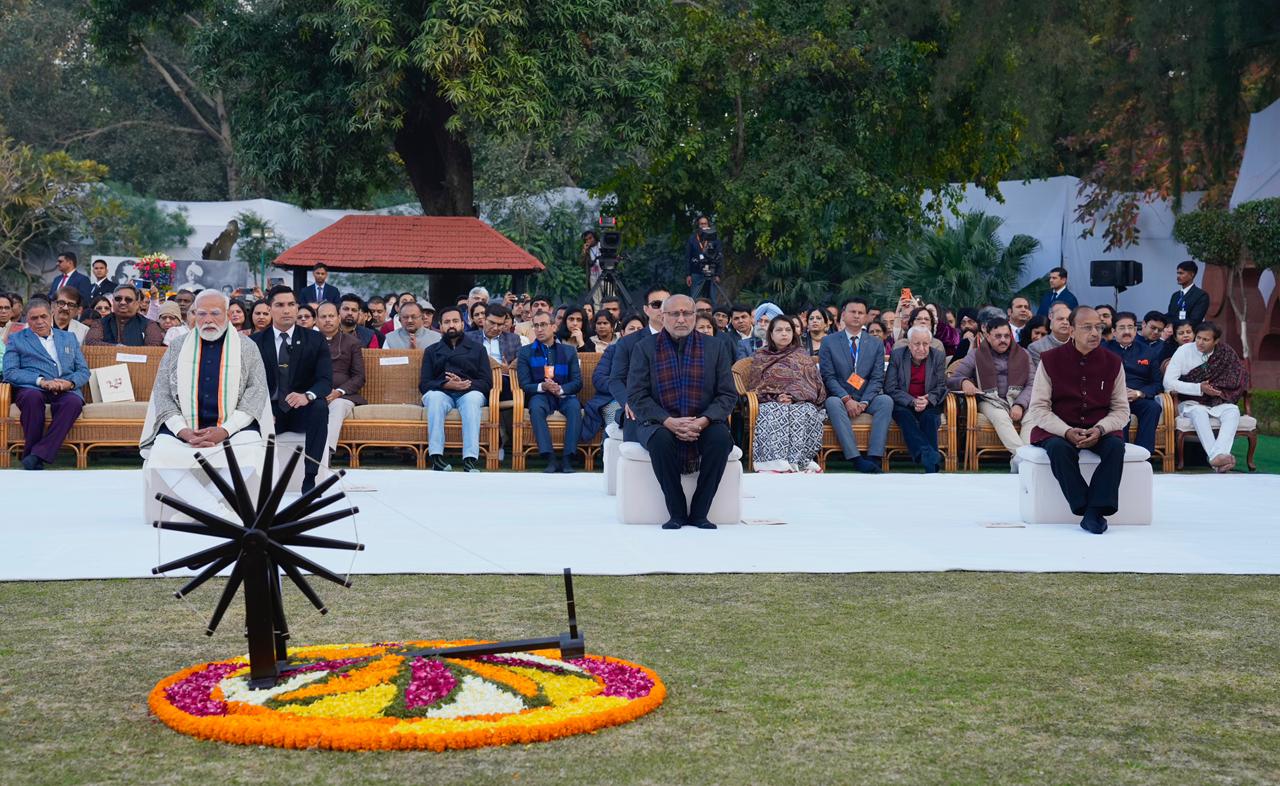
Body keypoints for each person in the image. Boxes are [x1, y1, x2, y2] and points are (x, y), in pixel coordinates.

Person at [627, 295, 738, 529]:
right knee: (660, 440)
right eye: (674, 314)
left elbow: (727, 395)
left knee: (720, 440)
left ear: (695, 316)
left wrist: (702, 421)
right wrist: (668, 421)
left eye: (687, 313)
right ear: (663, 317)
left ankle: (700, 513)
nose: (681, 319)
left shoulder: (715, 347)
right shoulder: (645, 348)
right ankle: (676, 513)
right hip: (659, 422)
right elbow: (637, 395)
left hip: (704, 421)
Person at [138, 291, 270, 489]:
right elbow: (162, 392)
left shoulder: (247, 347)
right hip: (184, 428)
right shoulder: (177, 346)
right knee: (160, 454)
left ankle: (199, 504)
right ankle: (211, 506)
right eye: (201, 314)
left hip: (233, 429)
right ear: (194, 315)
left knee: (251, 452)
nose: (208, 319)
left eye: (215, 313)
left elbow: (256, 392)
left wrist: (225, 430)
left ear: (227, 315)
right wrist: (183, 431)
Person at [1027, 307, 1130, 534]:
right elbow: (1039, 408)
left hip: (1099, 427)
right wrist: (1065, 431)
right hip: (1059, 427)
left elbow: (1121, 410)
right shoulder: (1050, 360)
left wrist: (1100, 429)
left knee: (1115, 447)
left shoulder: (1113, 362)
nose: (1094, 333)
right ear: (1072, 330)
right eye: (1087, 328)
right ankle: (1086, 508)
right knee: (1058, 449)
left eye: (1098, 327)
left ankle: (1096, 509)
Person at [251, 286, 333, 493]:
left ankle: (310, 478)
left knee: (320, 407)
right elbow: (248, 383)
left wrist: (308, 395)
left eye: (291, 304)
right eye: (280, 305)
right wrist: (262, 409)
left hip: (301, 408)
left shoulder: (315, 339)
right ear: (270, 308)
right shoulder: (255, 342)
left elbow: (325, 380)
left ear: (297, 307)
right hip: (270, 410)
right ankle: (255, 481)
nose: (286, 310)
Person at [1, 301, 89, 470]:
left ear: (51, 316)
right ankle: (35, 454)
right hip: (32, 387)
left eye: (43, 316)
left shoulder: (68, 338)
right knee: (31, 398)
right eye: (34, 318)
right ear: (27, 319)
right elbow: (10, 372)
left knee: (73, 402)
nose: (40, 321)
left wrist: (70, 383)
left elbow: (83, 371)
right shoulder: (16, 339)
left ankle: (36, 455)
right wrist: (40, 381)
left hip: (64, 387)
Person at [1163, 321, 1248, 473]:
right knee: (1199, 412)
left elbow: (1236, 378)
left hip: (1217, 400)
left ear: (1216, 341)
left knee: (1232, 411)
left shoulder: (1225, 353)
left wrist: (1217, 390)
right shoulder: (1183, 351)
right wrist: (1199, 388)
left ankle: (1216, 458)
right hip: (1190, 401)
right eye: (1198, 338)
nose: (1200, 342)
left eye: (1206, 340)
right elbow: (1168, 382)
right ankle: (1217, 458)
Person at [745, 315, 826, 472]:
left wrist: (795, 397)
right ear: (771, 334)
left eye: (788, 330)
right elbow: (755, 386)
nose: (784, 333)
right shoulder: (761, 356)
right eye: (779, 330)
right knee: (775, 410)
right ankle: (772, 461)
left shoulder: (801, 355)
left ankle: (800, 461)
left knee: (807, 411)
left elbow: (813, 384)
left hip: (800, 402)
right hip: (769, 402)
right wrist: (776, 397)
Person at [819, 298, 892, 473]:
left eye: (861, 313)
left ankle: (874, 457)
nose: (857, 316)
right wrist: (846, 399)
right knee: (832, 402)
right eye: (853, 312)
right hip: (840, 397)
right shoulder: (829, 342)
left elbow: (877, 378)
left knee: (886, 401)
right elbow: (828, 377)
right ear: (843, 315)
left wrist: (865, 402)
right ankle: (855, 458)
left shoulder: (875, 343)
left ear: (866, 317)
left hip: (867, 397)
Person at [949, 317, 1032, 464]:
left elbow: (1033, 384)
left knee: (1033, 416)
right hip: (990, 400)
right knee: (1000, 416)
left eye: (1006, 336)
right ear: (987, 336)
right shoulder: (976, 354)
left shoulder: (1024, 354)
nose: (1003, 340)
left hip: (1019, 399)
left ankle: (1019, 460)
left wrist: (1020, 404)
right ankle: (1025, 458)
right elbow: (952, 379)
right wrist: (964, 382)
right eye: (998, 336)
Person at [419, 306, 491, 472]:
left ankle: (470, 458)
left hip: (469, 392)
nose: (451, 325)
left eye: (455, 321)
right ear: (441, 326)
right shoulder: (431, 351)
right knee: (435, 399)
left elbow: (487, 382)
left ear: (463, 324)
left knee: (472, 400)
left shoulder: (478, 349)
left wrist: (465, 384)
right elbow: (424, 384)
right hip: (442, 392)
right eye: (447, 322)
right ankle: (436, 457)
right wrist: (446, 384)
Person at [517, 310, 583, 473]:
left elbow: (577, 382)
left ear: (553, 327)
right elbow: (525, 384)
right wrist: (543, 386)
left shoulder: (569, 351)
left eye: (543, 325)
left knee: (574, 407)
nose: (539, 329)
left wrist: (560, 389)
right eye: (536, 326)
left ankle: (568, 458)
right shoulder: (525, 352)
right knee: (536, 407)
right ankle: (550, 458)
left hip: (564, 394)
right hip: (540, 395)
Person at [885, 326, 948, 472]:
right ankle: (931, 458)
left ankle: (926, 457)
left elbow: (941, 386)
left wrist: (928, 399)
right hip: (904, 403)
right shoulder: (897, 355)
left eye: (925, 344)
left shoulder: (938, 356)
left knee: (929, 418)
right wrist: (912, 401)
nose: (922, 348)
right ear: (909, 344)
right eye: (917, 344)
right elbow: (890, 387)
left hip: (928, 402)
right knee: (905, 417)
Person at [609, 287, 669, 441]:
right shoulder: (629, 342)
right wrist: (628, 401)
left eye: (667, 304)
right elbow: (616, 380)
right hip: (638, 405)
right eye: (657, 304)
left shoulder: (684, 339)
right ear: (646, 309)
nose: (662, 309)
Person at [1103, 311, 1164, 452]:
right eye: (1122, 328)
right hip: (1112, 398)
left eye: (1130, 327)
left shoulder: (1148, 352)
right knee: (1120, 411)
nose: (1127, 332)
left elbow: (1157, 384)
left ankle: (1143, 453)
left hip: (1137, 397)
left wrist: (1139, 393)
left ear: (1136, 330)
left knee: (1153, 407)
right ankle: (1121, 453)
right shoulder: (1102, 351)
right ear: (1114, 331)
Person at [314, 301, 366, 460]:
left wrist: (338, 392)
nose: (327, 320)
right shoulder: (308, 341)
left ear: (338, 318)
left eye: (331, 316)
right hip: (314, 393)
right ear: (316, 320)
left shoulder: (352, 343)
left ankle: (324, 454)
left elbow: (359, 376)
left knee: (337, 405)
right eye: (323, 317)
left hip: (343, 396)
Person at [583, 314, 646, 441]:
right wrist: (620, 389)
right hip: (612, 399)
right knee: (618, 418)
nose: (635, 332)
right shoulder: (613, 350)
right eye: (631, 329)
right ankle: (610, 451)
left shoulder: (649, 351)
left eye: (639, 329)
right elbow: (599, 378)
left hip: (641, 399)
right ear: (622, 333)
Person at [84, 284, 165, 346]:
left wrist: (125, 352)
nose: (123, 302)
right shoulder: (100, 323)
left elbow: (153, 347)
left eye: (128, 299)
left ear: (137, 304)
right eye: (118, 299)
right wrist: (117, 348)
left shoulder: (149, 324)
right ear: (113, 302)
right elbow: (92, 342)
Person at [1028, 301, 1072, 378]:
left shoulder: (1080, 346)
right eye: (1060, 319)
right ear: (1051, 323)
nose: (1065, 322)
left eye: (1068, 320)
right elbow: (1040, 378)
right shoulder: (1036, 348)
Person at [685, 215, 723, 303]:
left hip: (712, 272)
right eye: (701, 224)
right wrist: (688, 274)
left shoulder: (715, 239)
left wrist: (718, 274)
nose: (703, 226)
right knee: (695, 298)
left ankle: (713, 311)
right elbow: (688, 257)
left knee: (713, 298)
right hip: (696, 272)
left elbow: (720, 256)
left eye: (705, 224)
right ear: (698, 225)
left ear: (708, 224)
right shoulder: (693, 239)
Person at [1167, 260, 1209, 328]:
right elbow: (1170, 315)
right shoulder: (1175, 295)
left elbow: (1195, 320)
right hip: (1172, 332)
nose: (1178, 276)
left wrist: (1173, 325)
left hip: (1188, 332)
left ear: (1191, 275)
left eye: (1181, 273)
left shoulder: (1201, 295)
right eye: (1177, 273)